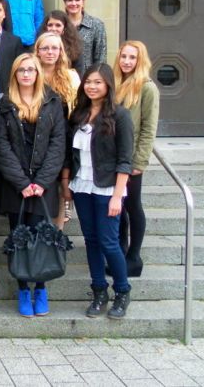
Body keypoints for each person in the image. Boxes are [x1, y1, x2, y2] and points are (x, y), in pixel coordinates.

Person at [0, 53, 65, 317]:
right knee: (20, 236)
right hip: (16, 185)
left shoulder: (52, 102)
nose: (26, 74)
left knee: (42, 236)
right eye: (21, 70)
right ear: (14, 74)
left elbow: (58, 144)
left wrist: (42, 182)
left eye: (30, 70)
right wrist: (22, 182)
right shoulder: (5, 104)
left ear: (38, 73)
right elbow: (2, 145)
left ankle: (41, 288)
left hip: (44, 185)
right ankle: (23, 288)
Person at [66, 63, 134, 320]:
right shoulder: (79, 114)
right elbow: (70, 154)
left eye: (98, 82)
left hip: (107, 188)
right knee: (91, 240)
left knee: (108, 241)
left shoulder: (120, 115)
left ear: (108, 85)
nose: (92, 86)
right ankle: (99, 291)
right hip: (82, 185)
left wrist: (117, 195)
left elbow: (125, 159)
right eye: (88, 82)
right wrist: (66, 184)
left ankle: (122, 291)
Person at [113, 40, 159, 277]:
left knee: (132, 205)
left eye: (132, 57)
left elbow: (149, 128)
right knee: (118, 207)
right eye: (123, 56)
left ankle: (134, 256)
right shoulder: (114, 83)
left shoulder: (147, 88)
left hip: (131, 160)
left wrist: (140, 162)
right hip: (112, 157)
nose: (127, 61)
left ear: (140, 61)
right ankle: (120, 251)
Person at [34, 32, 81, 228]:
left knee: (61, 186)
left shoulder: (71, 76)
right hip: (35, 138)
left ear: (61, 51)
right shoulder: (30, 72)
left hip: (63, 137)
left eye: (55, 48)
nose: (50, 52)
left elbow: (78, 108)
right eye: (45, 48)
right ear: (37, 51)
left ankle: (57, 232)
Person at [63, 0, 107, 75]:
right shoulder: (59, 24)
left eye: (77, 0)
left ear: (83, 2)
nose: (73, 3)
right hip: (63, 74)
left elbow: (100, 56)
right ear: (65, 2)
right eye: (70, 0)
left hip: (87, 76)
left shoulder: (96, 25)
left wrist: (96, 76)